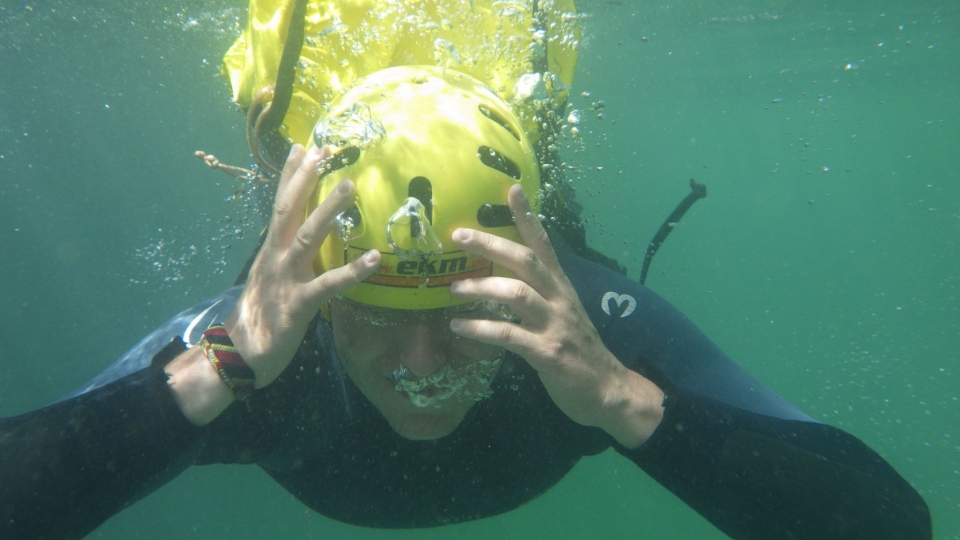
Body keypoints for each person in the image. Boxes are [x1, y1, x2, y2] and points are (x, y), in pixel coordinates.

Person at [0, 2, 931, 539]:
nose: (422, 359)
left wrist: (619, 396)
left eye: (463, 305)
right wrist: (223, 369)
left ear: (520, 279)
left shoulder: (579, 331)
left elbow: (891, 526)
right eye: (368, 307)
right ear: (314, 291)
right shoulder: (261, 343)